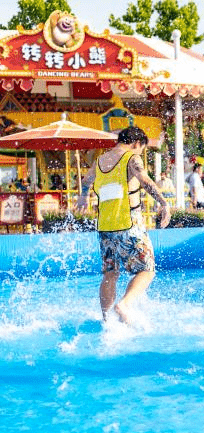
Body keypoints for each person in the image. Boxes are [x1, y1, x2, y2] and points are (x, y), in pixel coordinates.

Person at [75, 126, 171, 324]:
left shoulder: (100, 160)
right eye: (141, 149)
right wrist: (164, 203)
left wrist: (83, 197)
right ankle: (124, 304)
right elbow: (144, 181)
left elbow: (86, 181)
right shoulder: (131, 158)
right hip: (129, 224)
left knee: (111, 273)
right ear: (136, 143)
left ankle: (106, 320)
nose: (140, 153)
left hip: (105, 226)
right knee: (148, 269)